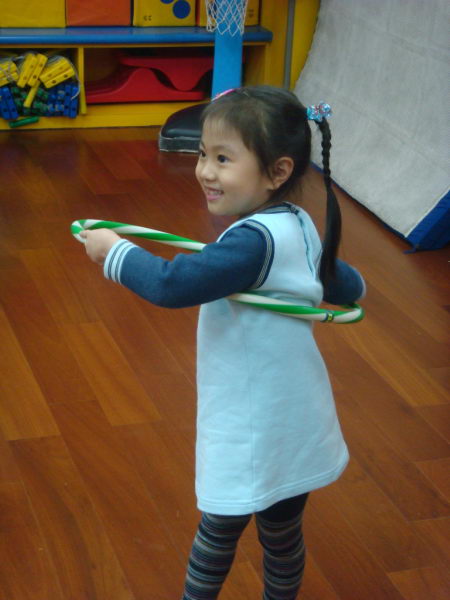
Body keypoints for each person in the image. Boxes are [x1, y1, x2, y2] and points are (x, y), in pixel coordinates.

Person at [80, 86, 365, 600]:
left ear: (277, 171)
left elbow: (172, 285)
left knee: (217, 530)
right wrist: (355, 289)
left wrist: (114, 251)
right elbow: (337, 279)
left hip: (251, 422)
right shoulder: (296, 223)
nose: (205, 171)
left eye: (223, 159)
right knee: (282, 532)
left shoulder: (251, 243)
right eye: (202, 155)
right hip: (295, 413)